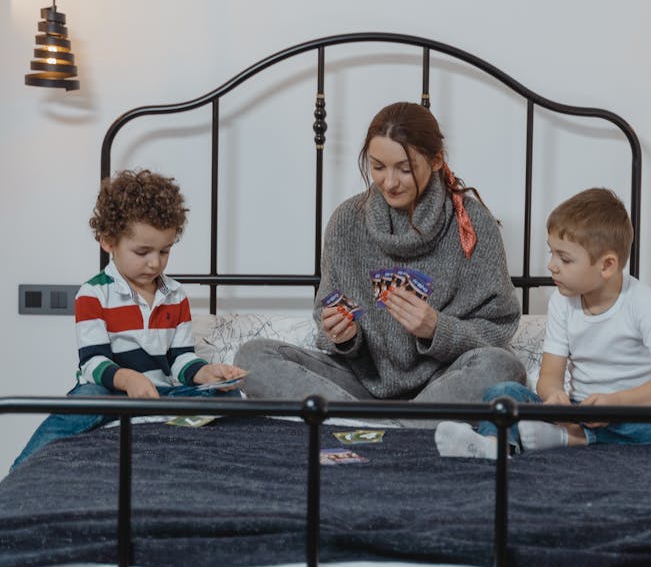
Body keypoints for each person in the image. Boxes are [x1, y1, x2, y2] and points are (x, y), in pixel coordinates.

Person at [235, 101, 524, 404]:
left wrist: (437, 329)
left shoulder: (471, 223)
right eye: (377, 166)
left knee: (504, 366)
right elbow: (327, 314)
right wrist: (343, 336)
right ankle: (400, 428)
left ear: (437, 160)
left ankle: (371, 426)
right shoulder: (346, 220)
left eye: (405, 168)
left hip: (443, 381)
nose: (389, 182)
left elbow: (499, 327)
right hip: (358, 387)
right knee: (251, 356)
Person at [435, 187, 651, 459]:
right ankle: (494, 444)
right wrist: (555, 397)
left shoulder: (642, 302)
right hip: (577, 410)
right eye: (551, 253)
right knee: (503, 392)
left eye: (564, 259)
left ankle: (575, 439)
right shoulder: (561, 302)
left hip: (632, 411)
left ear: (607, 266)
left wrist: (616, 403)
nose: (551, 266)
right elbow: (550, 376)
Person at [11, 169, 245, 469]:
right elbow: (93, 363)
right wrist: (127, 379)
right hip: (107, 391)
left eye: (164, 251)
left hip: (158, 392)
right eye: (142, 251)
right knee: (81, 404)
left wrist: (206, 374)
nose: (154, 262)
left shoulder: (175, 295)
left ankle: (162, 429)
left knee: (230, 397)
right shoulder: (93, 294)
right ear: (108, 242)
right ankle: (19, 471)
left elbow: (180, 360)